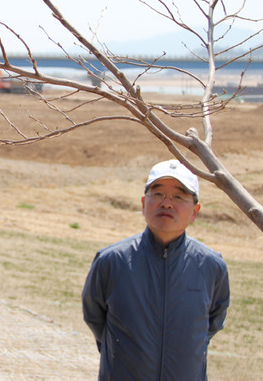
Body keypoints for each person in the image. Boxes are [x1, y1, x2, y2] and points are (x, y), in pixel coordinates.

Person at [82, 159, 230, 380]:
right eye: (158, 194)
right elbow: (95, 316)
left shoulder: (210, 266)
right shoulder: (111, 261)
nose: (167, 203)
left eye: (178, 197)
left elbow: (213, 321)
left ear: (195, 212)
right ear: (144, 203)